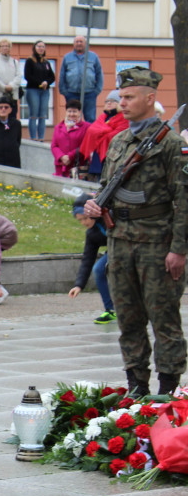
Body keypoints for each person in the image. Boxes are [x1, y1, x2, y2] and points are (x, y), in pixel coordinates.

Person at [83, 67, 188, 397]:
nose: (121, 102)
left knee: (164, 320)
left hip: (158, 245)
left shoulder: (170, 145)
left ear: (150, 98)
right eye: (120, 97)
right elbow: (106, 187)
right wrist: (94, 206)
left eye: (128, 97)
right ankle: (136, 386)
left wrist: (179, 249)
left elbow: (185, 200)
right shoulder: (118, 142)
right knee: (128, 319)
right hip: (121, 242)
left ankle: (167, 389)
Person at [69, 193, 115, 324]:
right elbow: (87, 259)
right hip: (113, 251)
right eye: (80, 220)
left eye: (85, 218)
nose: (84, 222)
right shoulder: (92, 234)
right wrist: (79, 285)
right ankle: (110, 309)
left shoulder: (109, 216)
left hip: (127, 247)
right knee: (99, 269)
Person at [79, 90, 127, 180]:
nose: (109, 103)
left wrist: (101, 133)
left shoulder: (123, 118)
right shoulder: (103, 117)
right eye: (107, 101)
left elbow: (116, 135)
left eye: (113, 101)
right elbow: (91, 131)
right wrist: (105, 131)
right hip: (98, 154)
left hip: (111, 155)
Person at [58, 35, 103, 123]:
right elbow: (62, 75)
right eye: (77, 42)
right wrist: (64, 92)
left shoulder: (93, 57)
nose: (79, 44)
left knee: (90, 119)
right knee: (72, 118)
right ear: (74, 44)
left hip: (89, 94)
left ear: (85, 44)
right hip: (71, 93)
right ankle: (73, 135)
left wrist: (96, 91)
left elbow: (99, 74)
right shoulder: (67, 57)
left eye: (81, 42)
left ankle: (90, 136)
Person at [23, 40, 55, 142]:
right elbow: (28, 76)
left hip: (45, 91)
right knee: (33, 114)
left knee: (42, 115)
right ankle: (33, 137)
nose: (41, 48)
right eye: (38, 46)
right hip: (33, 90)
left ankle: (41, 137)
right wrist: (40, 83)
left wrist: (47, 82)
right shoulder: (30, 61)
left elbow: (52, 77)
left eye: (42, 47)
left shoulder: (46, 62)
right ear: (34, 48)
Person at [51, 99, 88, 178]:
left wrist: (70, 156)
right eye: (69, 111)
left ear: (79, 112)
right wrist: (61, 156)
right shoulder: (58, 127)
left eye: (74, 111)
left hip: (77, 166)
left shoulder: (86, 127)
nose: (71, 114)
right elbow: (54, 145)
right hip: (60, 166)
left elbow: (85, 145)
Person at [0, 38, 21, 120]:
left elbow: (18, 77)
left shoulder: (15, 62)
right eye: (2, 46)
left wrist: (11, 86)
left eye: (7, 46)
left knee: (12, 119)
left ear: (10, 48)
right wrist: (4, 87)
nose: (5, 48)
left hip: (12, 96)